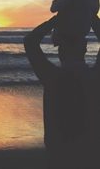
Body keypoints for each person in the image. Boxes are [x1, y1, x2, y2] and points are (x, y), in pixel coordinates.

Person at [24, 15, 100, 169]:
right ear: (85, 46)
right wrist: (89, 14)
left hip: (59, 157)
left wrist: (58, 18)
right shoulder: (95, 77)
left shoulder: (51, 77)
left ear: (60, 48)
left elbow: (30, 41)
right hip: (90, 156)